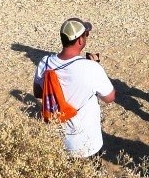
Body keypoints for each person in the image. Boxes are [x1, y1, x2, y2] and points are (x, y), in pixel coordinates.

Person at [32, 18, 116, 159]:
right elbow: (109, 98)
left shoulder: (45, 62)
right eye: (86, 35)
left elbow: (38, 93)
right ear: (80, 41)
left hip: (58, 142)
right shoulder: (91, 68)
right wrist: (95, 66)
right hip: (88, 144)